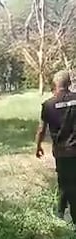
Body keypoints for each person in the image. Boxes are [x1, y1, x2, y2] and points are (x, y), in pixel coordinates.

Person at [36, 70, 76, 223]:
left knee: (65, 182)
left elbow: (41, 129)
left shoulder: (48, 105)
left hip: (62, 151)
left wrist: (38, 146)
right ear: (70, 84)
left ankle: (64, 213)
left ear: (55, 85)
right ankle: (63, 212)